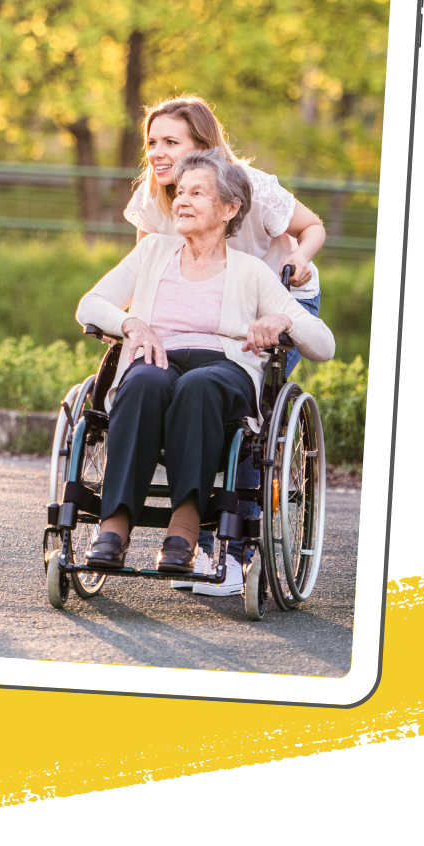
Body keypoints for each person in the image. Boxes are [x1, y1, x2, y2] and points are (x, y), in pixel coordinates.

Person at [75, 149, 335, 575]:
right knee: (141, 383)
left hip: (224, 369)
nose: (181, 201)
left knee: (199, 387)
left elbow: (323, 344)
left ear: (229, 209)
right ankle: (114, 526)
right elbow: (90, 304)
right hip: (159, 358)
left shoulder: (251, 272)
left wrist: (284, 317)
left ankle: (184, 528)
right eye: (179, 192)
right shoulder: (153, 252)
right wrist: (131, 324)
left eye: (197, 193)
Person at [123, 96, 326, 595]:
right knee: (170, 383)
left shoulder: (250, 186)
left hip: (276, 299)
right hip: (200, 313)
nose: (157, 152)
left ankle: (234, 552)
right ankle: (177, 529)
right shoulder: (156, 196)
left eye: (172, 141)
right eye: (152, 142)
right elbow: (148, 272)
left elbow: (312, 225)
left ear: (203, 146)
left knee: (247, 416)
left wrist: (298, 259)